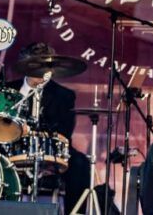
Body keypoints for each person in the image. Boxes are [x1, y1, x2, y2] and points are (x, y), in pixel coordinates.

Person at [6, 42, 93, 214]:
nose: (42, 71)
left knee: (80, 163)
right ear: (25, 66)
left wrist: (34, 133)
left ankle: (75, 213)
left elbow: (65, 131)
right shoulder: (8, 90)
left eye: (46, 67)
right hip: (11, 146)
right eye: (37, 66)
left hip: (51, 148)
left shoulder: (64, 95)